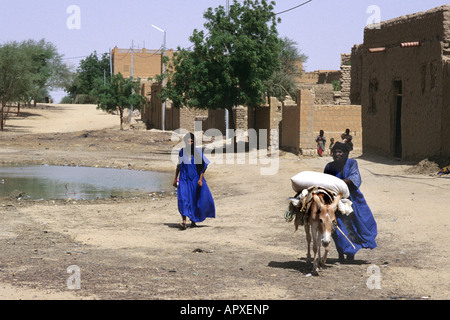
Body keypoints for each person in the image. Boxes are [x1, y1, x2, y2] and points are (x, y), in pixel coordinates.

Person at [324, 142, 377, 261]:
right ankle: (341, 253)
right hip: (335, 201)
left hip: (353, 200)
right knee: (337, 228)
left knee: (356, 225)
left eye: (340, 152)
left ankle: (351, 252)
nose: (337, 154)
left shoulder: (352, 163)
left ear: (346, 153)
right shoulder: (329, 166)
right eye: (335, 152)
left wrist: (338, 183)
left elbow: (355, 179)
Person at [173, 133, 215, 230]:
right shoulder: (182, 152)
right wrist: (175, 178)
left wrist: (200, 179)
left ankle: (193, 221)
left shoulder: (197, 152)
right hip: (183, 178)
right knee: (182, 198)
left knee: (193, 199)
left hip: (194, 179)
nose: (190, 143)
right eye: (188, 141)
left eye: (192, 141)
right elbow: (179, 166)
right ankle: (184, 222)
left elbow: (203, 166)